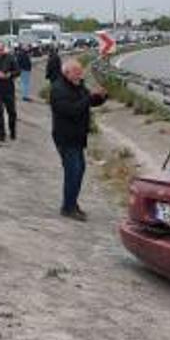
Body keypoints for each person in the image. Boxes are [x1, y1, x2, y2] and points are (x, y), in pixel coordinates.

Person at [50, 57, 108, 220]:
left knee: (79, 171)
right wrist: (89, 98)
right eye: (76, 72)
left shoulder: (78, 86)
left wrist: (101, 97)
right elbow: (71, 110)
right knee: (73, 172)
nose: (80, 75)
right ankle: (68, 208)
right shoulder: (58, 89)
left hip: (78, 137)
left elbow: (88, 102)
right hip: (65, 137)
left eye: (80, 71)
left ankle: (72, 203)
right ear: (66, 73)